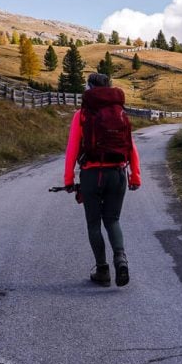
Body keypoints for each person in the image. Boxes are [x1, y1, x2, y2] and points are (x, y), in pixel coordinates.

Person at [63, 72, 141, 287]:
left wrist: (69, 179)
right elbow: (130, 146)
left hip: (92, 174)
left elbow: (72, 149)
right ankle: (121, 259)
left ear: (88, 88)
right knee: (113, 220)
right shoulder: (120, 112)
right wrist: (135, 175)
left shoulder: (82, 114)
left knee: (94, 223)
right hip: (118, 173)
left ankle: (103, 271)